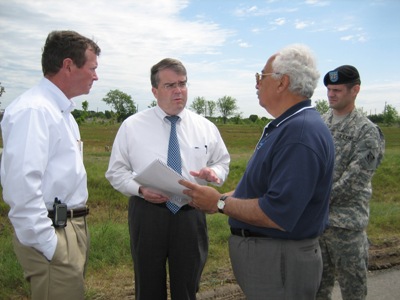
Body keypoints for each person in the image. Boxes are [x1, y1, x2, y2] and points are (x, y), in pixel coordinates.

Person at [179, 44, 335, 300]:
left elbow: (278, 213)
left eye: (260, 76)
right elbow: (262, 190)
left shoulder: (299, 133)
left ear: (282, 82)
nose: (256, 84)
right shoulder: (289, 126)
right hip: (275, 259)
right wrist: (215, 199)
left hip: (279, 261)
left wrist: (219, 202)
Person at [105, 58, 230, 300]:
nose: (178, 91)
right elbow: (116, 171)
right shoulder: (132, 126)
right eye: (170, 85)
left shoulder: (205, 127)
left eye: (182, 84)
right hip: (148, 212)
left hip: (190, 213)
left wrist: (214, 174)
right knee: (148, 284)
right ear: (154, 91)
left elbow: (222, 162)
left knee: (187, 285)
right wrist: (140, 190)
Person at [1, 30, 100, 300]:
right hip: (52, 232)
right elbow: (21, 188)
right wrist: (50, 245)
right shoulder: (34, 111)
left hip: (68, 228)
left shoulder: (61, 112)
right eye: (92, 68)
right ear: (68, 65)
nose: (96, 76)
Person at [316, 65, 385, 300]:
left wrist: (311, 199)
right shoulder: (319, 123)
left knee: (353, 291)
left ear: (355, 90)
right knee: (316, 289)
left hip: (346, 227)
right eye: (328, 89)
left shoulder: (367, 131)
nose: (331, 94)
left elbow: (353, 182)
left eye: (337, 90)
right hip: (316, 224)